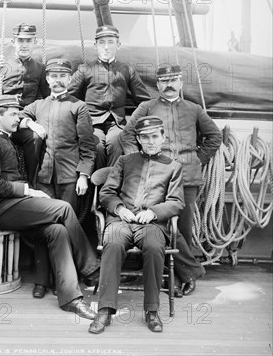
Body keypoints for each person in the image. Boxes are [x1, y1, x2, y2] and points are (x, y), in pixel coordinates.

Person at [0, 94, 100, 320]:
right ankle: (92, 270)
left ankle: (71, 298)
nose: (18, 119)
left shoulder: (7, 138)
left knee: (58, 231)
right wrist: (27, 190)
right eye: (13, 114)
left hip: (15, 206)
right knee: (63, 209)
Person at [119, 64, 222, 296]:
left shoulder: (194, 109)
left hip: (187, 177)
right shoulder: (147, 107)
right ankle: (184, 273)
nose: (169, 84)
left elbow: (214, 136)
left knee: (182, 229)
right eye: (164, 81)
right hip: (157, 177)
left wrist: (198, 159)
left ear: (181, 83)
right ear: (157, 85)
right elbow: (127, 135)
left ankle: (178, 277)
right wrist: (139, 161)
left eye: (174, 79)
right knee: (160, 225)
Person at [89, 116, 184, 334]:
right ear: (139, 139)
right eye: (145, 137)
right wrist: (120, 209)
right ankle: (104, 310)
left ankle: (152, 310)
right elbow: (107, 192)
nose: (150, 141)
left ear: (162, 137)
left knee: (153, 247)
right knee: (112, 244)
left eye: (154, 136)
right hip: (121, 220)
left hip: (152, 224)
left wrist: (153, 212)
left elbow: (177, 202)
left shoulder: (173, 167)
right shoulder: (125, 161)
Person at [19, 58, 96, 298]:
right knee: (45, 227)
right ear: (47, 79)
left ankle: (67, 279)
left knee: (66, 227)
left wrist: (84, 175)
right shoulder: (38, 105)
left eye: (63, 75)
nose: (57, 80)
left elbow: (87, 145)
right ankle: (42, 280)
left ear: (70, 79)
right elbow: (18, 115)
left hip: (69, 176)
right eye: (53, 75)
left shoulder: (78, 106)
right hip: (44, 176)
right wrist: (31, 123)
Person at [68, 25, 150, 169]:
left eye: (110, 42)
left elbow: (144, 101)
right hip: (92, 122)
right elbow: (69, 98)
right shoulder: (85, 69)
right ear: (95, 46)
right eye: (102, 43)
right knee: (97, 145)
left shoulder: (127, 70)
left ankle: (111, 183)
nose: (106, 47)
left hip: (117, 123)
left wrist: (134, 122)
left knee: (117, 142)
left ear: (118, 45)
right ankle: (96, 185)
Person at [0, 23, 50, 186]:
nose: (24, 45)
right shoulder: (1, 64)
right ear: (13, 42)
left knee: (35, 138)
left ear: (35, 42)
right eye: (20, 40)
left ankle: (31, 183)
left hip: (25, 122)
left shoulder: (40, 69)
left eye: (29, 40)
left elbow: (48, 98)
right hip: (3, 121)